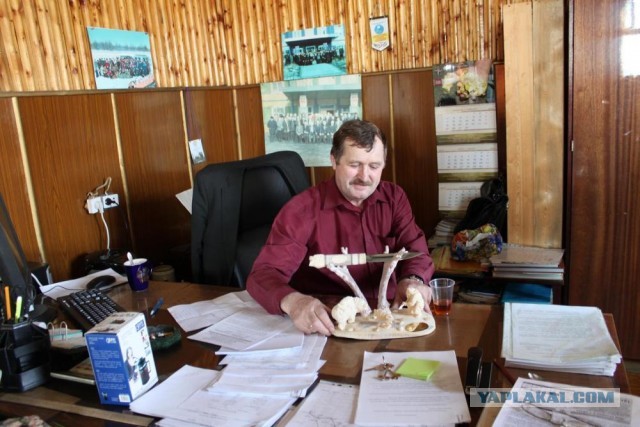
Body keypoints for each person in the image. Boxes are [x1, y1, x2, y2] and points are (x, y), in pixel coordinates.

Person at [246, 119, 434, 336]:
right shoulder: (302, 209)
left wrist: (414, 280)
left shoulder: (394, 198)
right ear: (334, 161)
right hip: (331, 324)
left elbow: (415, 251)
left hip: (391, 320)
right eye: (354, 165)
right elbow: (263, 274)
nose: (365, 177)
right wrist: (294, 302)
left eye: (374, 166)